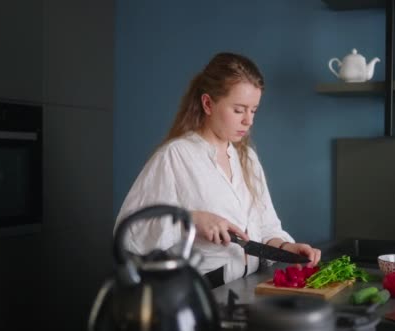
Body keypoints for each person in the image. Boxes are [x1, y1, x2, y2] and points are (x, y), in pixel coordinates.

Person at [115, 52, 321, 287]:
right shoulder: (175, 156)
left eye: (253, 110)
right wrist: (191, 220)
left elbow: (265, 226)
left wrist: (286, 248)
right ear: (208, 104)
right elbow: (129, 235)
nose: (248, 120)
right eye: (239, 109)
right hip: (200, 295)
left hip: (249, 288)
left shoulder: (247, 158)